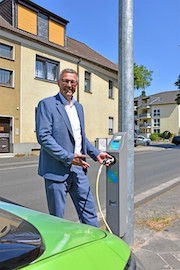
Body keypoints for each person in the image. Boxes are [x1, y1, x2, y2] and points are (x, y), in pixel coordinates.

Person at [36, 68, 112, 227]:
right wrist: (70, 158)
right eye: (65, 81)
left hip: (78, 170)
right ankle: (60, 249)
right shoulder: (47, 104)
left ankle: (94, 246)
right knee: (57, 219)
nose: (69, 85)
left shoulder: (79, 107)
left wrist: (95, 153)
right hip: (56, 170)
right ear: (58, 83)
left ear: (77, 85)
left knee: (89, 212)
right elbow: (44, 137)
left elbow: (80, 137)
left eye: (72, 82)